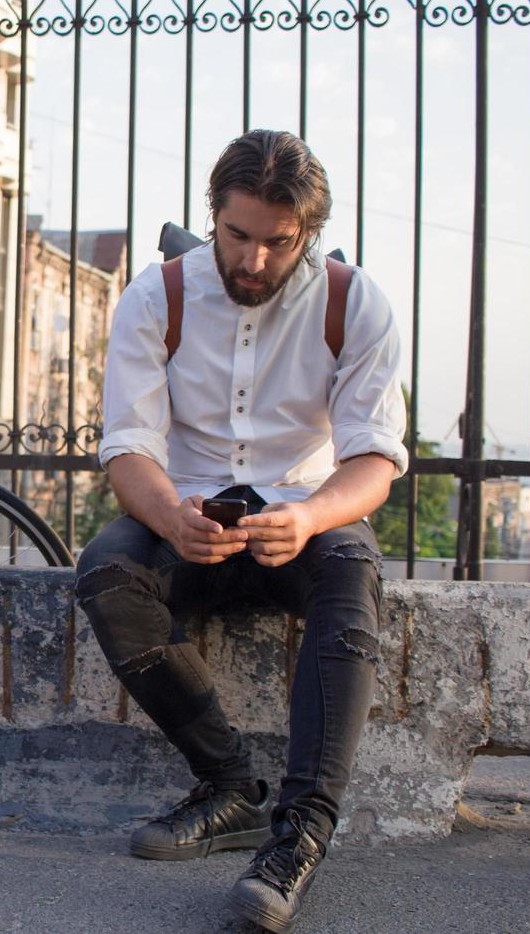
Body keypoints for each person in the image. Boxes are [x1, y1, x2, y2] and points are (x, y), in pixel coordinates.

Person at [75, 129, 407, 934]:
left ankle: (300, 835)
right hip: (185, 512)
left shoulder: (352, 302)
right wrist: (168, 517)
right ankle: (230, 789)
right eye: (238, 236)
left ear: (308, 234)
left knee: (349, 573)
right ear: (212, 216)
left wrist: (310, 514)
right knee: (107, 571)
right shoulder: (157, 296)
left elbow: (373, 460)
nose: (254, 262)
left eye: (278, 243)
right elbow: (128, 449)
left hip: (303, 512)